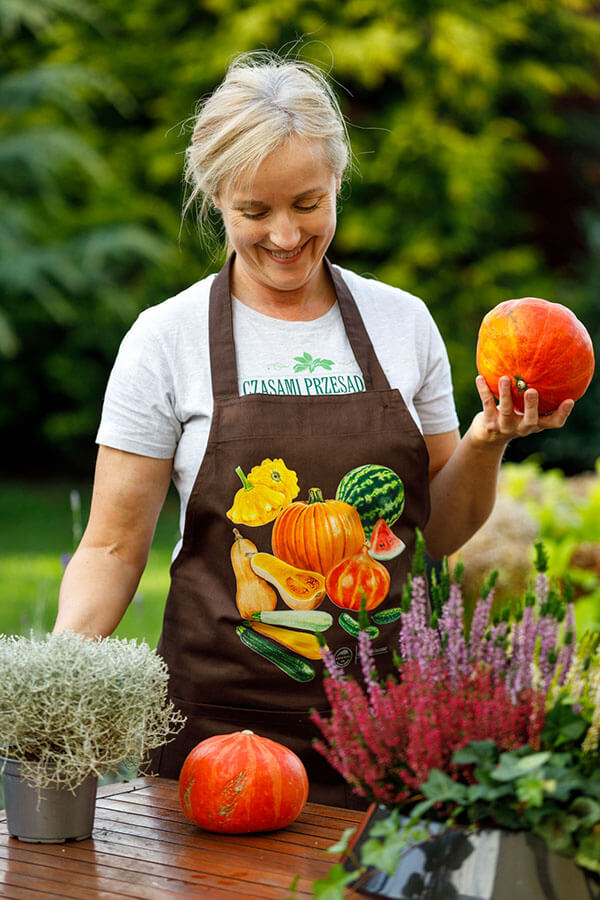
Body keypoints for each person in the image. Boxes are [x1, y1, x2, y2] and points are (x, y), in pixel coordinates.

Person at [53, 51, 574, 807]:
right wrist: (57, 681)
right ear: (215, 199)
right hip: (215, 732)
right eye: (253, 212)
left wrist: (487, 439)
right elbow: (108, 546)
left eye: (308, 202)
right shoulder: (164, 339)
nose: (287, 236)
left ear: (338, 181)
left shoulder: (403, 324)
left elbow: (439, 529)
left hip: (389, 732)